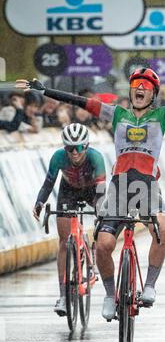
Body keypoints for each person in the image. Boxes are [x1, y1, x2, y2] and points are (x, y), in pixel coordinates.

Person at [16, 71, 165, 320]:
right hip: (119, 186)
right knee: (103, 244)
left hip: (147, 187)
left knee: (163, 226)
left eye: (145, 86)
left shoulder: (163, 115)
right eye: (135, 86)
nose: (139, 89)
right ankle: (111, 295)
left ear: (153, 93)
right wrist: (46, 91)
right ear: (131, 91)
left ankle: (151, 285)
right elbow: (81, 102)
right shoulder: (115, 114)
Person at [32, 122, 106, 316]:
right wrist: (40, 202)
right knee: (64, 242)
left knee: (104, 220)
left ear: (87, 146)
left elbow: (101, 191)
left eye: (79, 147)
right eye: (69, 148)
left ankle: (94, 260)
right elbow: (48, 184)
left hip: (92, 191)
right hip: (69, 191)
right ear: (64, 147)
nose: (74, 152)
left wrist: (100, 211)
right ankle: (63, 296)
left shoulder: (95, 158)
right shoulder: (58, 157)